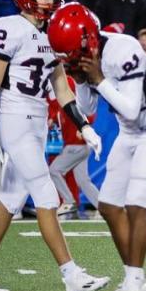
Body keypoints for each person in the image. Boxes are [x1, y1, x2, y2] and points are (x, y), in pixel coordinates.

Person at [0, 0, 109, 291]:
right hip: (14, 117)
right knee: (45, 194)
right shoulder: (9, 27)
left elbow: (61, 86)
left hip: (38, 119)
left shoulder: (52, 30)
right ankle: (71, 275)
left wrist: (84, 126)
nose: (50, 0)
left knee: (11, 199)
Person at [48, 2, 146, 291]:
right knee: (109, 206)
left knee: (136, 204)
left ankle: (133, 286)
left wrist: (97, 79)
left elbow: (131, 107)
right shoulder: (86, 59)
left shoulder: (125, 48)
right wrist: (83, 81)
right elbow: (88, 109)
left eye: (72, 54)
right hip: (129, 132)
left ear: (89, 40)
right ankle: (139, 280)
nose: (70, 60)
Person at [47, 76, 101, 216]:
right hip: (79, 146)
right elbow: (58, 111)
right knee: (83, 181)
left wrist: (83, 127)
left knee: (54, 170)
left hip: (76, 145)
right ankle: (104, 208)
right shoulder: (60, 104)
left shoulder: (72, 99)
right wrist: (52, 119)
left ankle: (68, 201)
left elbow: (86, 111)